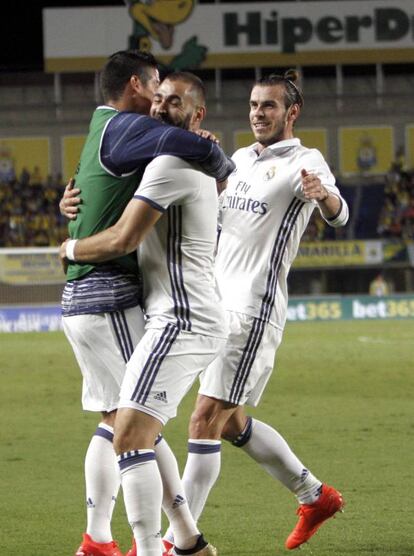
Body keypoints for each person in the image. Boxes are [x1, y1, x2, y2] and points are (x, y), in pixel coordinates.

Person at [162, 70, 349, 552]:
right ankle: (315, 495)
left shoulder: (306, 162)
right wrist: (200, 153)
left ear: (291, 112)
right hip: (215, 307)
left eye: (268, 106)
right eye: (252, 105)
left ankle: (175, 543)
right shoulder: (240, 160)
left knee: (204, 420)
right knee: (231, 421)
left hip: (253, 310)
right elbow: (209, 205)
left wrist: (320, 194)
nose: (258, 114)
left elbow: (339, 210)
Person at [60, 50, 234, 556]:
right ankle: (179, 541)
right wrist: (71, 209)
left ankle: (147, 541)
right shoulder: (149, 147)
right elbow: (113, 218)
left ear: (196, 114)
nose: (159, 106)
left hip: (157, 311)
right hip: (136, 303)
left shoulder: (145, 150)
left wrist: (68, 241)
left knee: (125, 427)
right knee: (128, 427)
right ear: (138, 88)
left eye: (172, 100)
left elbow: (113, 226)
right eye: (156, 94)